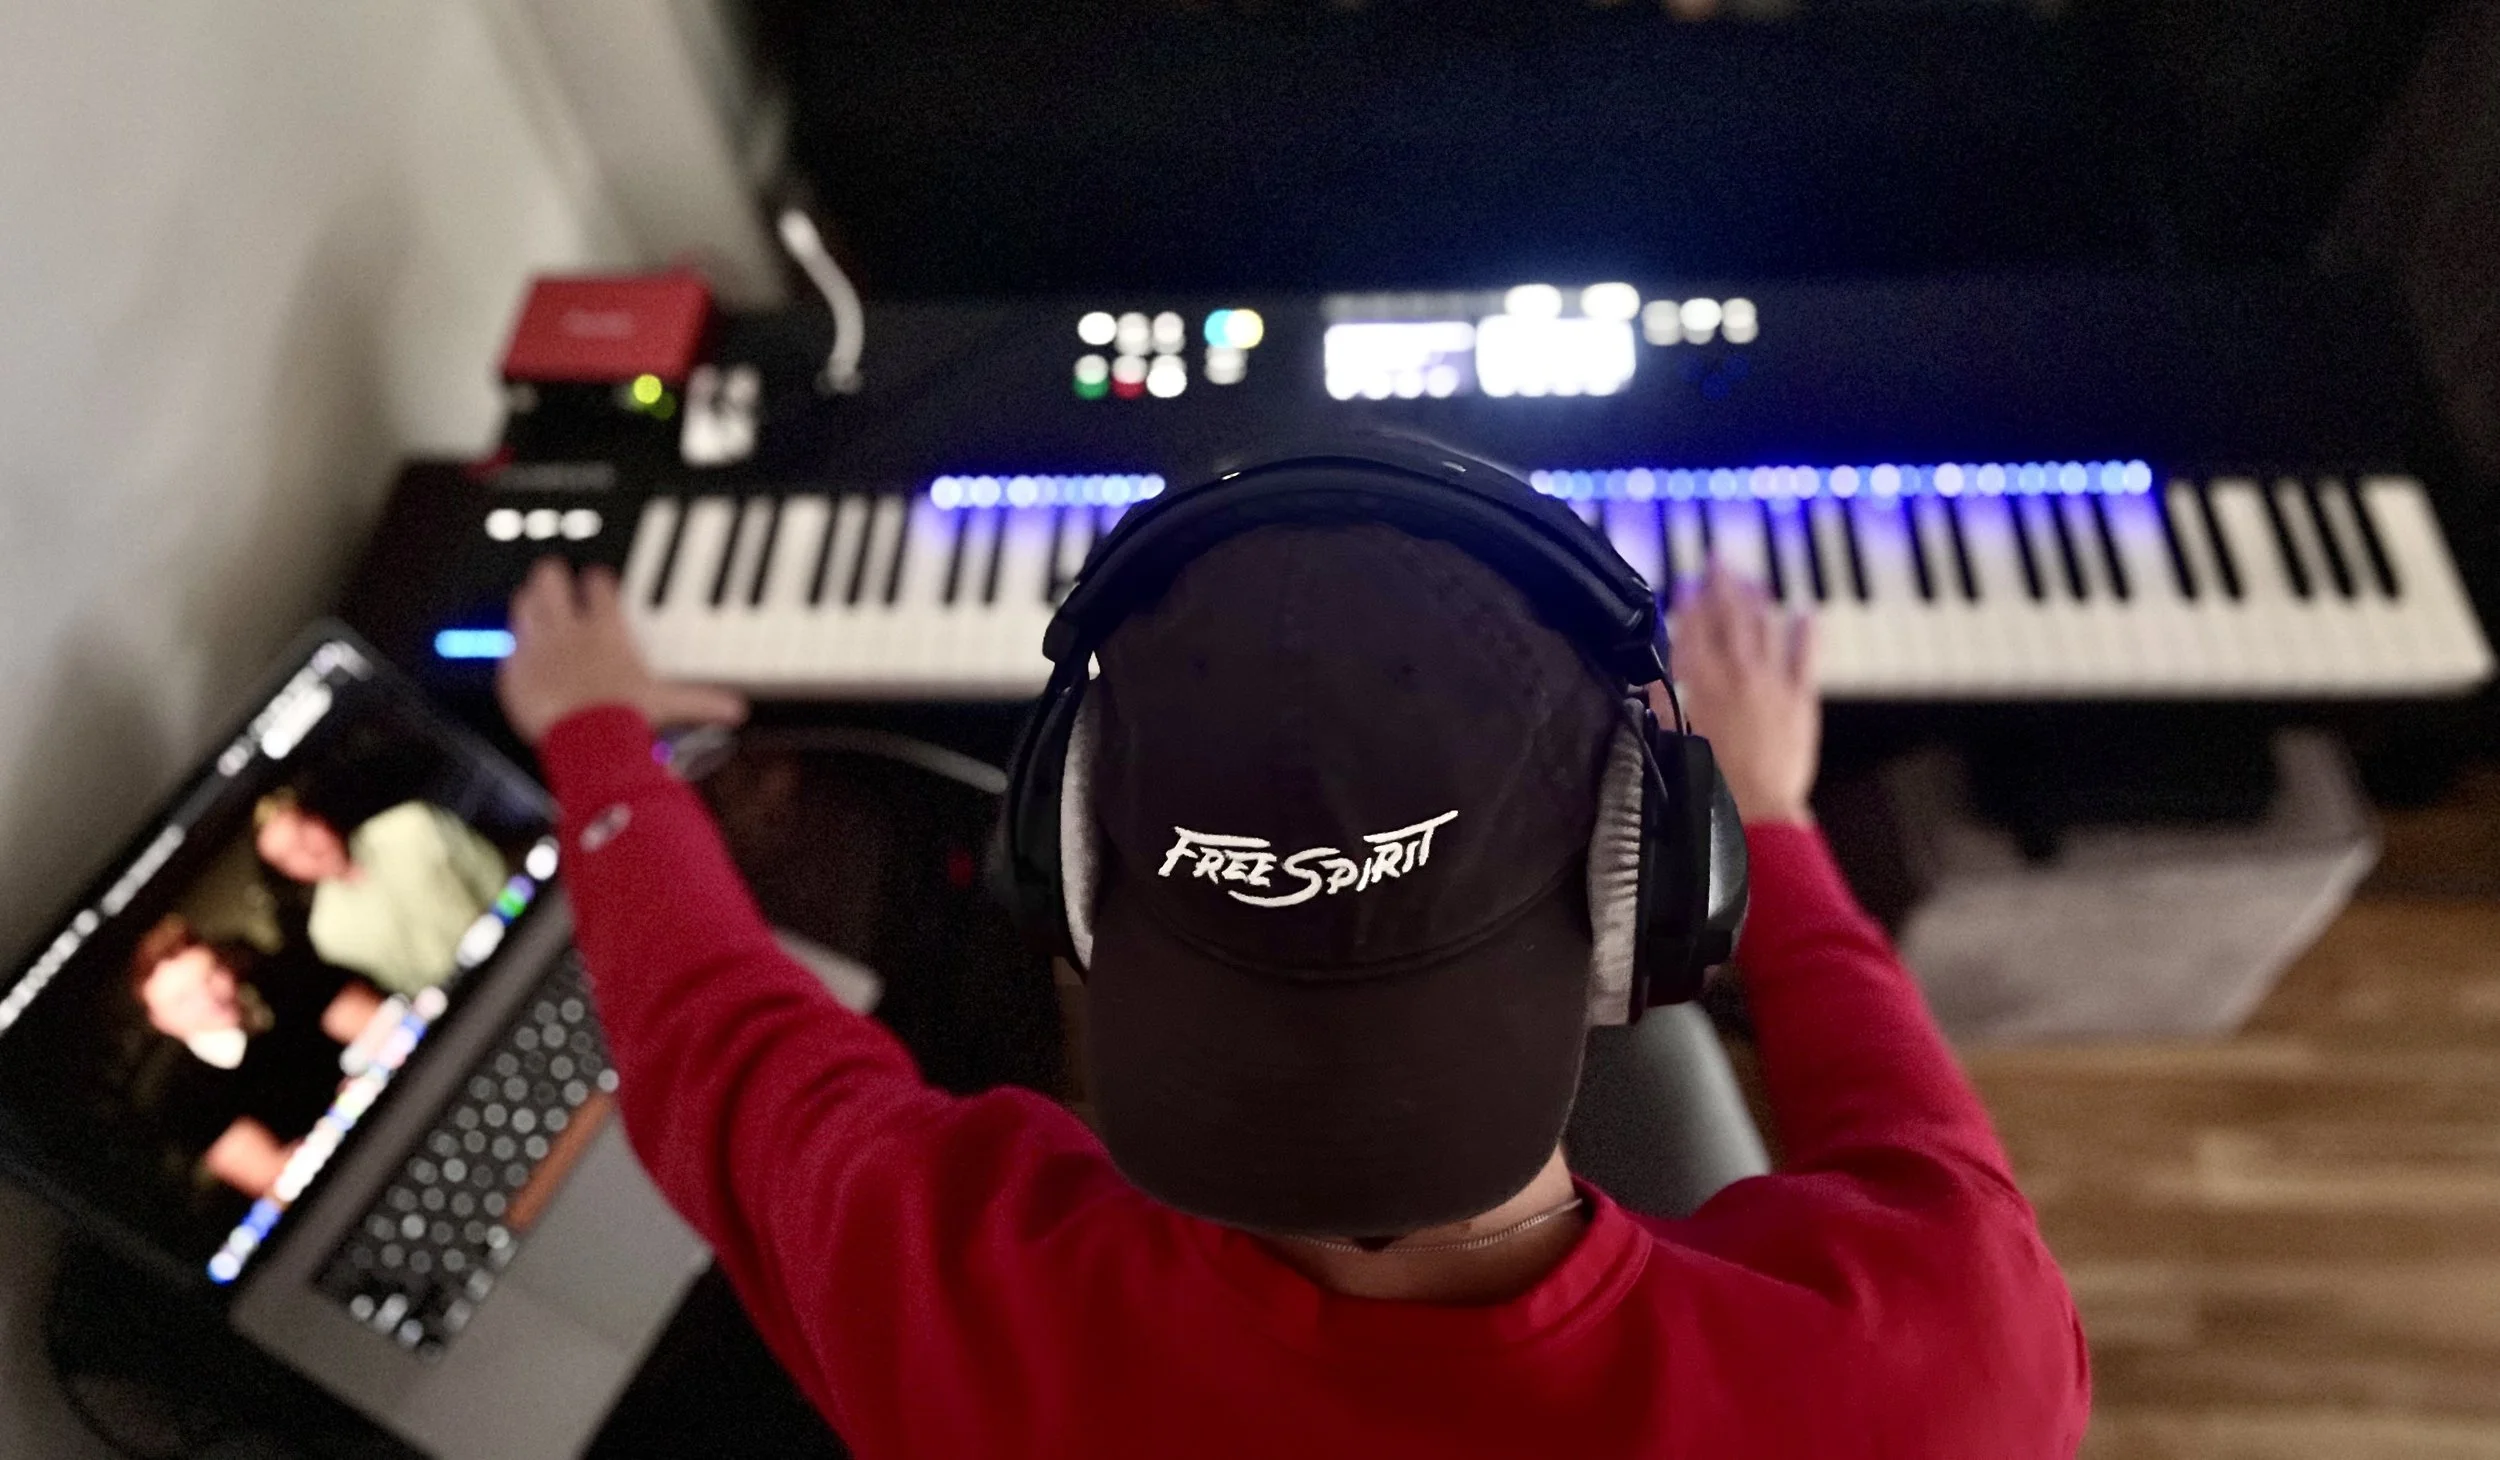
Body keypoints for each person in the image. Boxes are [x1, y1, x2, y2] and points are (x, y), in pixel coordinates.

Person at [496, 497, 2088, 1454]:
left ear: (1076, 878)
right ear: (1640, 900)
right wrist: (1785, 820)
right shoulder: (1947, 1375)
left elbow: (711, 1042)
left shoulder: (965, 1318)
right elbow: (1914, 1145)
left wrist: (597, 737)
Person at [129, 915, 387, 1197]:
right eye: (183, 1000)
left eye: (210, 977)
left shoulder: (285, 974)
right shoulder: (174, 1091)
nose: (208, 1001)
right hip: (341, 1183)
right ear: (161, 1021)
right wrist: (352, 1106)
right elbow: (280, 1180)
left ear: (225, 964)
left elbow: (391, 1033)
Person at [252, 787, 507, 995]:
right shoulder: (328, 934)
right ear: (288, 873)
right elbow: (408, 989)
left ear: (318, 818)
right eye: (289, 855)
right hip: (463, 1000)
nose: (308, 852)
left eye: (303, 831)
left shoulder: (412, 825)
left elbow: (502, 880)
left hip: (512, 942)